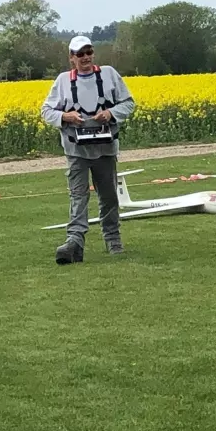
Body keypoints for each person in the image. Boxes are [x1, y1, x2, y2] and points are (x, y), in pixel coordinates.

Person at [40, 35, 136, 264]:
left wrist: (110, 114)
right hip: (76, 151)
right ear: (71, 58)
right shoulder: (63, 81)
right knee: (78, 196)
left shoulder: (110, 74)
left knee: (109, 196)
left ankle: (113, 239)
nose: (85, 57)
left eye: (88, 52)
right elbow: (46, 111)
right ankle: (75, 242)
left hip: (105, 148)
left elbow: (129, 103)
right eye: (80, 54)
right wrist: (65, 116)